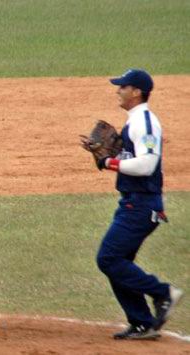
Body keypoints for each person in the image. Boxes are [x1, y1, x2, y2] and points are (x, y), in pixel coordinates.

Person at [90, 69, 183, 340]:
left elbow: (147, 164)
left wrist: (109, 162)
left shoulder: (145, 122)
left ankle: (163, 293)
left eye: (123, 86)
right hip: (132, 201)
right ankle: (142, 322)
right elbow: (135, 157)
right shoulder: (135, 122)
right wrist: (113, 153)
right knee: (119, 261)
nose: (118, 90)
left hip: (143, 205)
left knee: (108, 258)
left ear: (137, 92)